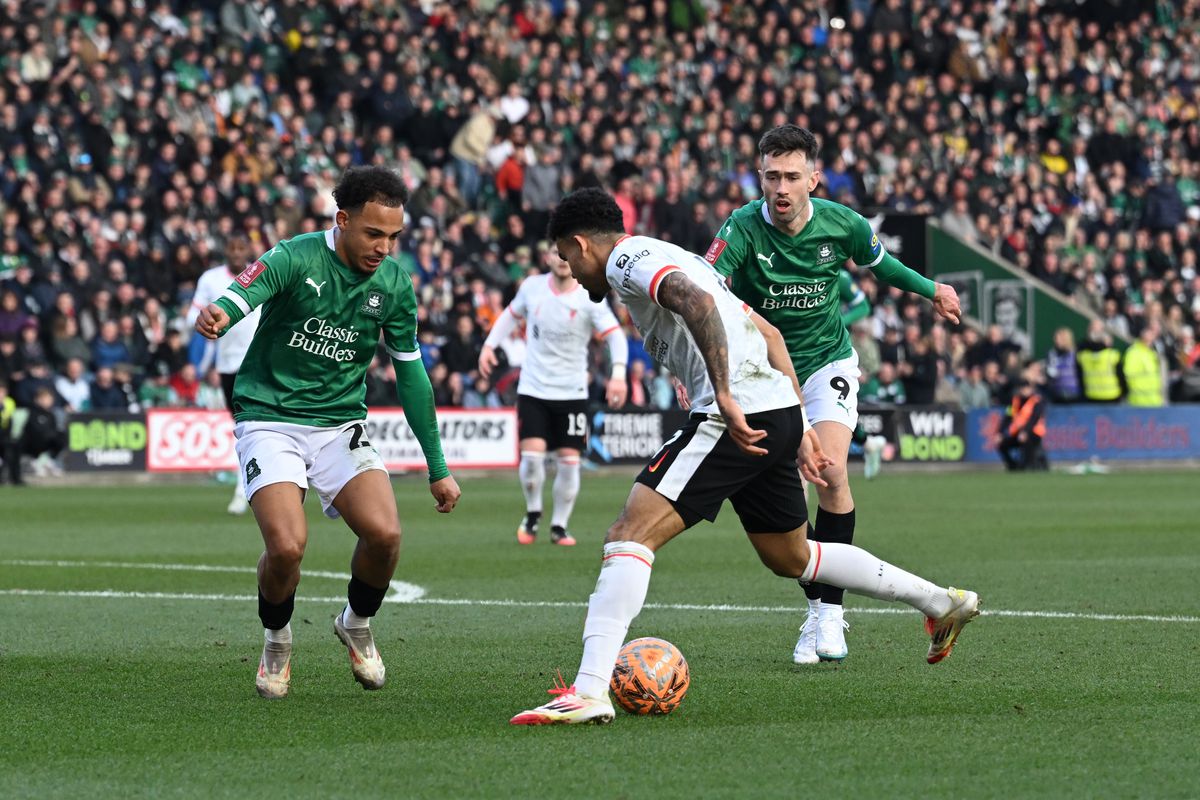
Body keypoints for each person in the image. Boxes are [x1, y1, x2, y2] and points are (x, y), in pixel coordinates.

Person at [510, 188, 980, 725]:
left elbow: (698, 303)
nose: (570, 270)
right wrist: (798, 424)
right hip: (775, 409)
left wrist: (726, 396)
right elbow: (771, 333)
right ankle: (941, 603)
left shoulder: (623, 260)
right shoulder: (676, 255)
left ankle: (590, 689)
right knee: (793, 557)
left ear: (579, 244)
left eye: (568, 258)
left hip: (736, 414)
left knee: (628, 535)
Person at [194, 166, 462, 700]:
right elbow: (247, 288)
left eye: (394, 236)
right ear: (342, 220)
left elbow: (411, 375)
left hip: (340, 422)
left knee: (385, 536)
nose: (384, 247)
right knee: (288, 547)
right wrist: (221, 313)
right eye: (373, 234)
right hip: (269, 417)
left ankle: (356, 624)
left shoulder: (394, 284)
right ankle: (277, 639)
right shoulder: (295, 255)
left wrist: (438, 467)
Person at [704, 125, 963, 664]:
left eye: (792, 176)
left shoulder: (843, 224)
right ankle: (819, 603)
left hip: (826, 363)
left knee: (829, 470)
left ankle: (827, 614)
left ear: (813, 179)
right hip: (764, 374)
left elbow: (882, 266)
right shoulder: (743, 228)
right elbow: (708, 285)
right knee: (782, 511)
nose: (781, 187)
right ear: (760, 176)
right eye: (771, 175)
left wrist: (932, 289)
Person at [478, 249, 628, 546]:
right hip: (534, 388)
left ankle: (559, 525)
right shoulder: (532, 288)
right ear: (546, 256)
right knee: (532, 458)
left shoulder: (589, 295)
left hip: (571, 393)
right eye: (556, 252)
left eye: (566, 253)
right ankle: (533, 512)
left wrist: (619, 374)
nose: (561, 258)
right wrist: (488, 346)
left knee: (569, 461)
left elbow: (615, 336)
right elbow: (509, 317)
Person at [185, 235, 261, 514]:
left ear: (248, 251)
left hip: (257, 362)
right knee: (244, 428)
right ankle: (250, 485)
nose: (238, 252)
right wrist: (201, 362)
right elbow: (191, 319)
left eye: (242, 247)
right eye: (233, 247)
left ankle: (245, 490)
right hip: (228, 365)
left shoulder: (262, 272)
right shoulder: (210, 279)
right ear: (226, 250)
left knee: (254, 425)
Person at [997, 379, 1047, 471]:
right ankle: (1013, 466)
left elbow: (1034, 419)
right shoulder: (1014, 401)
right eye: (1022, 388)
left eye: (1026, 388)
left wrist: (1025, 432)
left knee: (1026, 441)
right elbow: (1007, 417)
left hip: (1034, 432)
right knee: (1002, 444)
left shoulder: (1036, 401)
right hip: (1018, 432)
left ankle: (1028, 466)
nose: (1024, 390)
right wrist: (1000, 433)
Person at [1076, 321, 1122, 403]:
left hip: (1111, 395)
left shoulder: (1112, 354)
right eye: (1093, 329)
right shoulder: (1081, 350)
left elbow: (1120, 374)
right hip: (1090, 395)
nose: (1095, 333)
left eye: (1098, 330)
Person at [1122, 322, 1166, 407]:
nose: (1153, 336)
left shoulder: (1151, 352)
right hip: (1139, 402)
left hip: (1154, 401)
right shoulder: (1133, 352)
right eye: (1151, 332)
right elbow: (1129, 374)